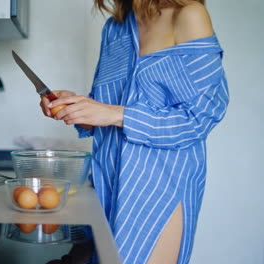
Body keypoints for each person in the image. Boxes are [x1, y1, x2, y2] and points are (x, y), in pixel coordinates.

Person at [40, 0, 229, 263]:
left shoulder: (188, 15)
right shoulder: (115, 28)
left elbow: (203, 115)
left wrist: (115, 114)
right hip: (107, 183)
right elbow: (104, 111)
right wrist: (75, 108)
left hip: (161, 185)